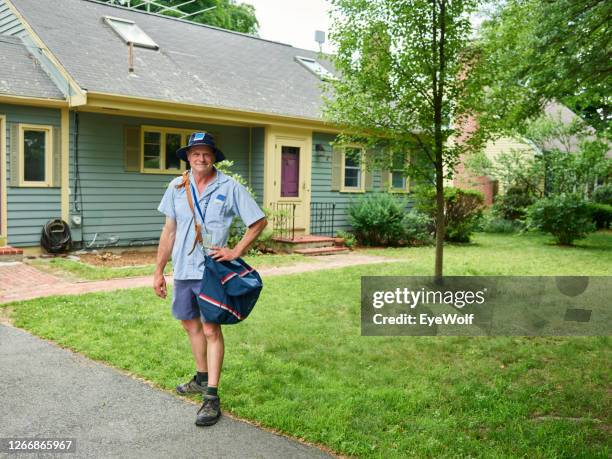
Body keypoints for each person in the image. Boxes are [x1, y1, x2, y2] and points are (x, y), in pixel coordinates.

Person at [153, 132, 267, 426]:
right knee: (189, 324)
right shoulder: (177, 186)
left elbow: (258, 221)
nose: (201, 158)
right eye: (195, 153)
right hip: (182, 270)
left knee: (211, 330)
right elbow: (169, 231)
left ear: (214, 157)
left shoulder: (229, 187)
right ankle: (201, 378)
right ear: (187, 157)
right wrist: (159, 271)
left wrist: (236, 251)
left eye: (206, 153)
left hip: (211, 272)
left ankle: (211, 397)